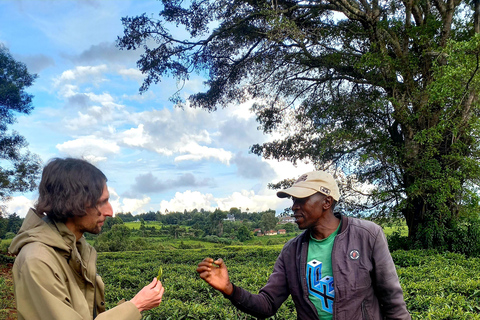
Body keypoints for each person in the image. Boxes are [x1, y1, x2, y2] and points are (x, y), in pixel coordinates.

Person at [197, 171, 411, 319]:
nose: (294, 207)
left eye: (301, 200)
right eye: (292, 200)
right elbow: (267, 304)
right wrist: (229, 289)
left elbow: (393, 301)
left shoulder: (368, 235)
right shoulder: (292, 251)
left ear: (326, 202)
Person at [9, 158, 164, 320]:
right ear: (74, 203)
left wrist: (134, 304)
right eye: (101, 202)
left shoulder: (75, 249)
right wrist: (136, 305)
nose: (110, 212)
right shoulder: (38, 260)